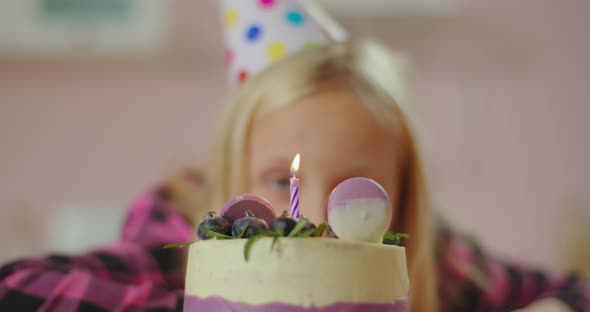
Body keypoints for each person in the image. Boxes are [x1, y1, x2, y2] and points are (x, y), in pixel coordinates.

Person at [1, 1, 589, 311]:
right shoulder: (176, 249)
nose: (316, 222)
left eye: (358, 191)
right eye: (285, 179)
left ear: (404, 197)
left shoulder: (431, 261)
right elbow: (18, 287)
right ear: (232, 174)